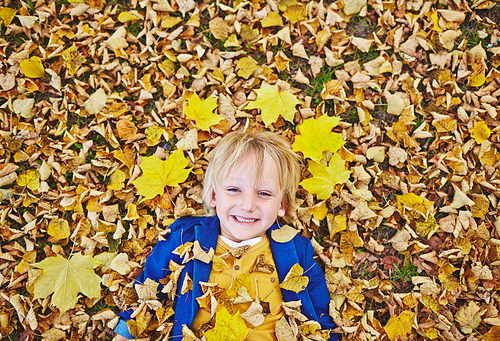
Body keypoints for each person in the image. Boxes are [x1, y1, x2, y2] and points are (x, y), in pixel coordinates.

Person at [114, 131, 338, 340]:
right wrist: (125, 331)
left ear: (282, 205)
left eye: (263, 193)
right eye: (234, 190)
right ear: (213, 196)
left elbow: (319, 306)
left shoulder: (296, 248)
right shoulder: (186, 236)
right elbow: (150, 284)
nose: (248, 205)